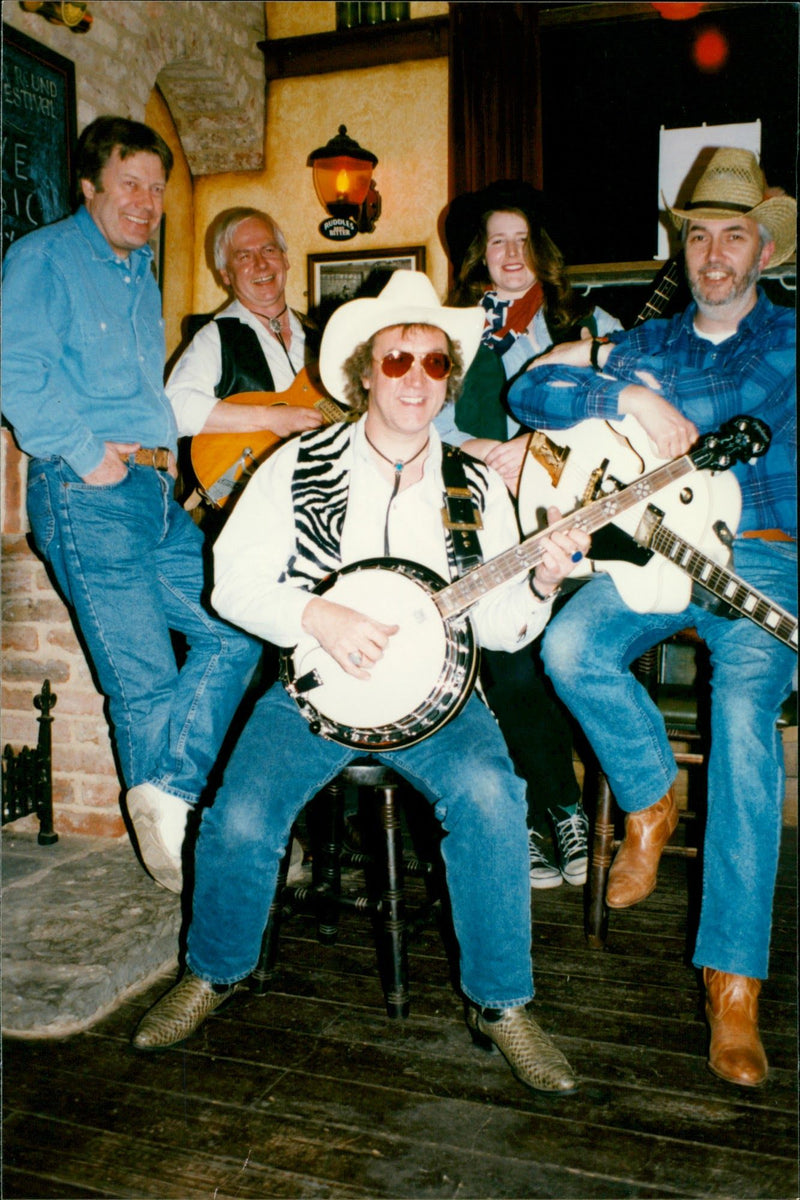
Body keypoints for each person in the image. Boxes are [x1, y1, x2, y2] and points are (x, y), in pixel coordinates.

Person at [131, 270, 591, 1095]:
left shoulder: (475, 485)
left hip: (442, 700)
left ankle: (503, 1003)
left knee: (492, 800)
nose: (416, 378)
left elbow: (504, 628)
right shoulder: (295, 463)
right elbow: (229, 585)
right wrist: (318, 618)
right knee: (237, 815)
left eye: (433, 363)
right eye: (397, 360)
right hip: (316, 689)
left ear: (448, 376)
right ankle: (212, 970)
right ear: (364, 374)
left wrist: (543, 582)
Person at [507, 147, 797, 1088]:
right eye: (700, 235)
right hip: (662, 551)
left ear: (763, 250)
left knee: (745, 726)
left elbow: (733, 403)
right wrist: (623, 389)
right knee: (571, 642)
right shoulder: (655, 344)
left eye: (734, 235)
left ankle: (734, 982)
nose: (715, 254)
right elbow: (527, 394)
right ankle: (648, 797)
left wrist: (609, 368)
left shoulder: (789, 339)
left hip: (767, 555)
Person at [1, 116, 261, 894]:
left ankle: (166, 795)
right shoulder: (43, 256)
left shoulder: (138, 272)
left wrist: (163, 470)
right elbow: (14, 372)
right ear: (89, 186)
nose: (147, 201)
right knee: (143, 680)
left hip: (152, 494)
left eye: (155, 187)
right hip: (86, 490)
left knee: (235, 631)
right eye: (130, 185)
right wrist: (90, 457)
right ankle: (180, 864)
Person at [437, 179, 623, 889]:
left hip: (575, 523)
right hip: (481, 518)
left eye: (521, 240)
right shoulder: (450, 332)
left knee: (552, 650)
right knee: (505, 655)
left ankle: (563, 808)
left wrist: (539, 454)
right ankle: (543, 813)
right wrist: (493, 453)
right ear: (479, 257)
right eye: (496, 242)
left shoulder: (591, 322)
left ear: (540, 251)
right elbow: (430, 420)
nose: (510, 253)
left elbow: (617, 420)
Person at [166, 207, 326, 508]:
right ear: (226, 275)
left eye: (269, 249)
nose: (261, 263)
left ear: (286, 259)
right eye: (244, 256)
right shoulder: (216, 336)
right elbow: (174, 406)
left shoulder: (323, 336)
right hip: (253, 500)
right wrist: (269, 418)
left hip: (321, 496)